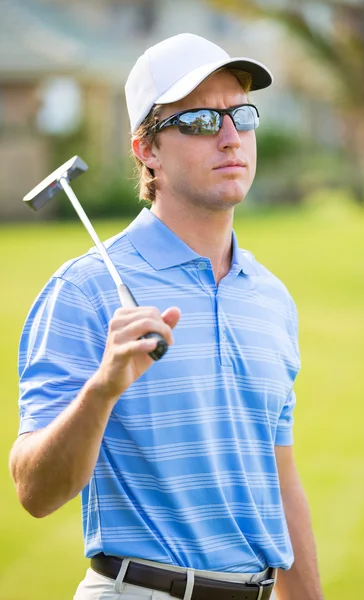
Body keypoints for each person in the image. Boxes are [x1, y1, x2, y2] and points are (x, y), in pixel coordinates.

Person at [9, 33, 324, 600]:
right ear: (146, 150)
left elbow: (278, 482)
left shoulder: (270, 297)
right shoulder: (84, 290)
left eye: (240, 115)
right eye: (202, 121)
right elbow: (34, 490)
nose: (231, 138)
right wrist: (103, 389)